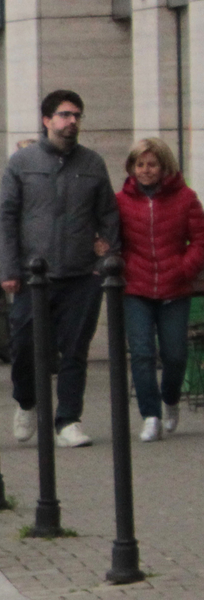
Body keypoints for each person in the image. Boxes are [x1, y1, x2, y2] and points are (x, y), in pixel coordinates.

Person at [0, 89, 120, 447]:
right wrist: (8, 268)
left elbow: (108, 214)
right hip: (34, 276)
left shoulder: (92, 164)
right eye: (65, 115)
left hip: (81, 275)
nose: (72, 122)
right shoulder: (22, 163)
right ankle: (27, 401)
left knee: (75, 349)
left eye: (77, 116)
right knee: (23, 346)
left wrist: (104, 259)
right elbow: (5, 217)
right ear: (47, 120)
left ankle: (68, 419)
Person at [115, 137, 204, 439]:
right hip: (136, 287)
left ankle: (170, 400)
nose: (145, 170)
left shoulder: (186, 198)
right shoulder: (121, 201)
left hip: (175, 289)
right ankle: (150, 415)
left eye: (151, 164)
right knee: (141, 352)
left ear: (164, 166)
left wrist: (185, 268)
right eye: (139, 165)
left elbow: (200, 240)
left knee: (175, 355)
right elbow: (114, 239)